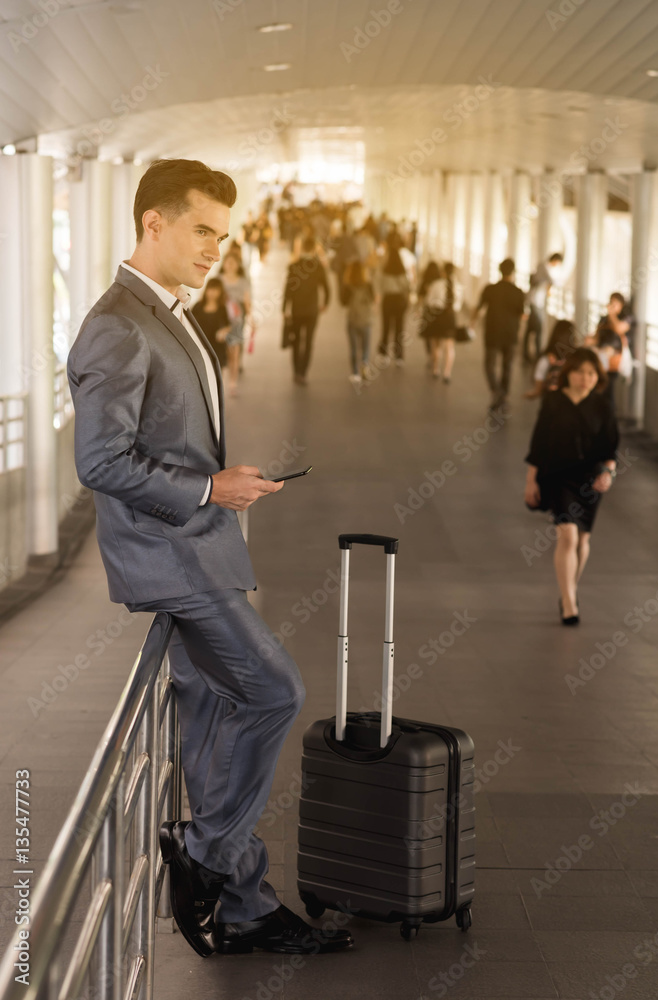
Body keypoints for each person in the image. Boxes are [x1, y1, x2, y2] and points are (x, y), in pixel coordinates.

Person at [66, 158, 352, 959]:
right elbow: (100, 460)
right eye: (201, 230)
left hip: (199, 544)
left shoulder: (167, 310)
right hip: (174, 559)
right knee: (273, 691)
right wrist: (205, 489)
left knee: (209, 721)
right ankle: (204, 851)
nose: (214, 250)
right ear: (152, 223)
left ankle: (244, 905)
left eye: (222, 238)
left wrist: (222, 485)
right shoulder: (116, 324)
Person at [524, 348, 619, 626]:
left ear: (597, 376)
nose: (585, 378)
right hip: (558, 475)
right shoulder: (553, 401)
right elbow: (539, 443)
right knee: (568, 535)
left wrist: (608, 473)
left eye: (591, 373)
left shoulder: (602, 406)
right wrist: (531, 480)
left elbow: (610, 445)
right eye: (580, 372)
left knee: (583, 540)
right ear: (569, 374)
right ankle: (568, 604)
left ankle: (570, 589)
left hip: (590, 478)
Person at [472, 258, 526, 411]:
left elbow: (478, 308)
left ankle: (497, 392)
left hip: (492, 332)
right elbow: (522, 314)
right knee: (507, 366)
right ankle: (504, 395)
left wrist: (472, 324)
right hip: (510, 334)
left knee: (489, 364)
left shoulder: (490, 289)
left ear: (500, 271)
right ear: (513, 272)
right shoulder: (518, 292)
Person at [282, 235, 330, 384]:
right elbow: (327, 288)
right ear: (314, 249)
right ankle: (303, 373)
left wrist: (284, 308)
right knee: (308, 341)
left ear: (302, 248)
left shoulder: (294, 266)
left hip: (297, 309)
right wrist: (325, 304)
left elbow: (288, 289)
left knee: (296, 340)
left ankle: (296, 371)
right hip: (312, 310)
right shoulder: (318, 267)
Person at [586, 292, 634, 405]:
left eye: (615, 303)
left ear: (621, 305)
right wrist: (590, 341)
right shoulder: (603, 319)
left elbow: (619, 329)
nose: (611, 306)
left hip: (613, 361)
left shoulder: (626, 318)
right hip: (600, 357)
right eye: (610, 302)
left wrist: (612, 314)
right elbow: (597, 338)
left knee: (607, 391)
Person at [418, 261, 458, 383]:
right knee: (449, 347)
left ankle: (435, 369)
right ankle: (447, 373)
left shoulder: (436, 284)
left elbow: (429, 301)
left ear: (443, 272)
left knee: (436, 345)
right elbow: (457, 305)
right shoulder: (458, 286)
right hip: (450, 317)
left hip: (437, 316)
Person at [220, 252, 251, 396]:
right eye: (228, 262)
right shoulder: (218, 280)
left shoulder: (243, 281)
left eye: (233, 262)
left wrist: (251, 318)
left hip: (237, 321)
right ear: (223, 264)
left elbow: (247, 301)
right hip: (220, 320)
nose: (230, 265)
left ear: (238, 265)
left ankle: (233, 383)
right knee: (223, 352)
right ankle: (222, 381)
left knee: (235, 352)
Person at [522, 253, 563, 362]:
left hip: (537, 301)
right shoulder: (544, 266)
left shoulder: (544, 267)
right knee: (538, 328)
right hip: (535, 301)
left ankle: (527, 353)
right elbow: (553, 280)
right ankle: (537, 353)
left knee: (531, 328)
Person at [341, 259, 376, 385]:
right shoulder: (368, 284)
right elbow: (373, 299)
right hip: (366, 319)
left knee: (354, 347)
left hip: (352, 319)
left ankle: (355, 373)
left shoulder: (347, 286)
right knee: (365, 347)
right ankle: (364, 366)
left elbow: (343, 302)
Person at [524, 319, 577, 399]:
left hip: (550, 403)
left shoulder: (546, 358)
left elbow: (538, 388)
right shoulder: (576, 358)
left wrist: (533, 394)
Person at [378, 246, 410, 365]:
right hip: (399, 300)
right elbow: (407, 287)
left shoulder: (384, 270)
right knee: (399, 328)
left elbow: (380, 285)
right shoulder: (402, 271)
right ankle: (399, 355)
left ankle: (383, 353)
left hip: (388, 300)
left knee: (386, 327)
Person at [191, 277, 230, 370]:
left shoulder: (222, 308)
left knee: (218, 371)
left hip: (217, 346)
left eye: (216, 290)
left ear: (220, 292)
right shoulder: (198, 306)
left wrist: (223, 332)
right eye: (210, 289)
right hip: (200, 345)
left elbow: (227, 325)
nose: (212, 293)